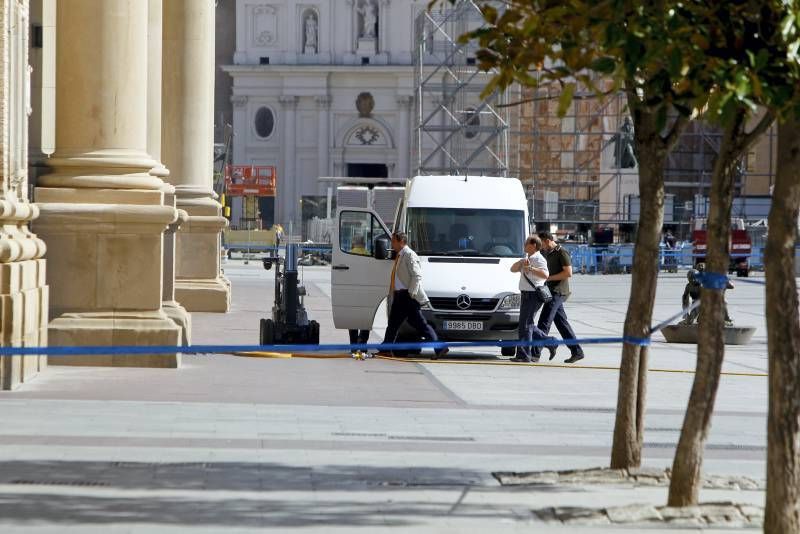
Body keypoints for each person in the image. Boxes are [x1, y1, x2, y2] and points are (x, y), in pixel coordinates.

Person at [377, 232, 447, 359]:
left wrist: (411, 293)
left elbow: (417, 275)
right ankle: (386, 348)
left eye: (393, 241)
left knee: (420, 324)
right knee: (393, 323)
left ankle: (440, 347)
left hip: (407, 295)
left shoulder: (409, 254)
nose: (392, 244)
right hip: (400, 295)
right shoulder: (400, 254)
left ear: (401, 241)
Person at [533, 231, 585, 363]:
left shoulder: (562, 252)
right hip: (550, 291)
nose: (541, 247)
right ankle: (577, 351)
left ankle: (535, 354)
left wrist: (549, 278)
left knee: (544, 321)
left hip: (558, 292)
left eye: (541, 243)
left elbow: (568, 273)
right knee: (562, 323)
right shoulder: (548, 253)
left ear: (547, 240)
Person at [510, 235, 558, 363]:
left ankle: (524, 355)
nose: (524, 245)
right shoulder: (527, 258)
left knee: (525, 325)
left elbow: (545, 274)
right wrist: (520, 263)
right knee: (527, 324)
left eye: (526, 243)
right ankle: (550, 342)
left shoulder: (538, 258)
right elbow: (512, 269)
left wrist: (530, 268)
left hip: (533, 295)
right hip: (525, 294)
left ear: (534, 245)